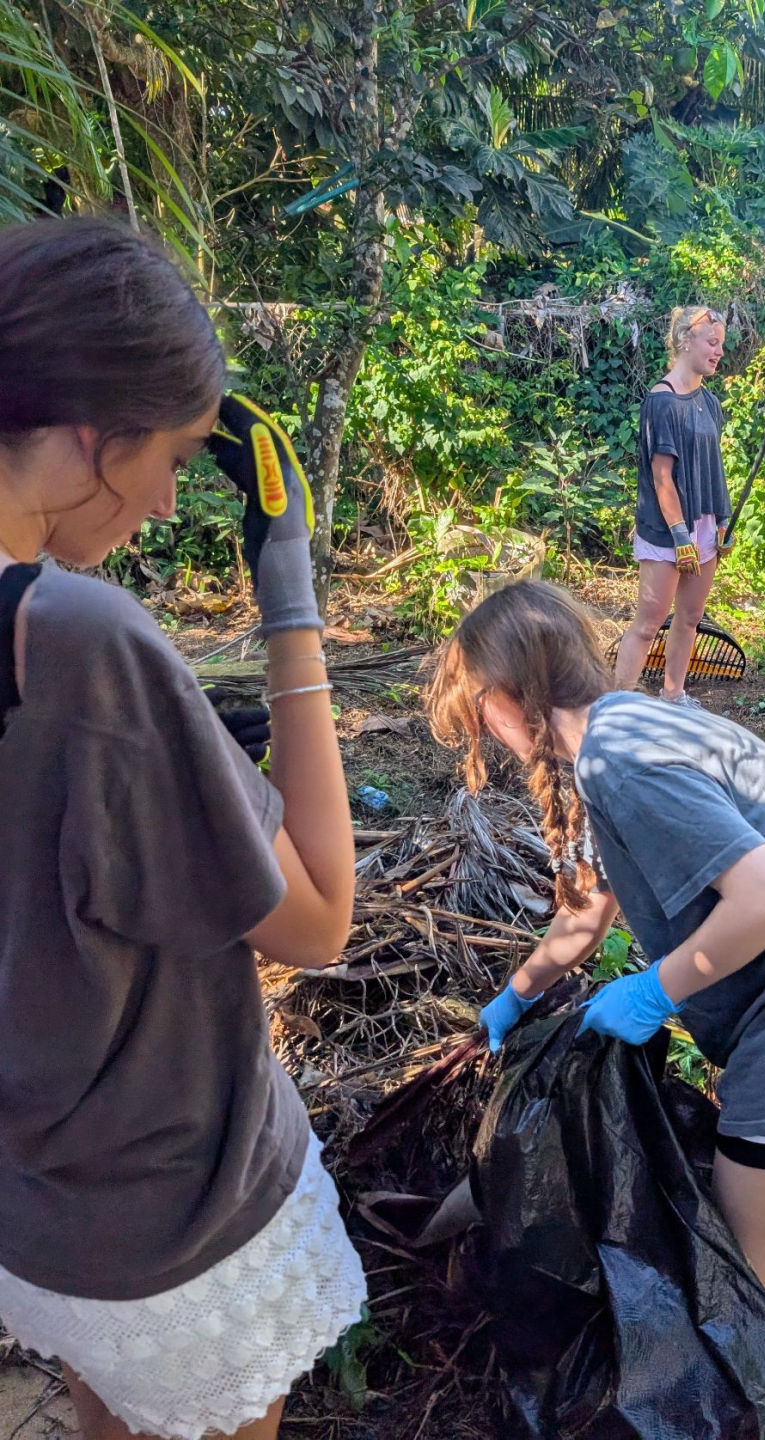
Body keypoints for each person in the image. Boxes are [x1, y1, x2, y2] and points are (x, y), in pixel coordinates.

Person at [0, 217, 365, 1440]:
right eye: (167, 457)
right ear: (93, 438)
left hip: (37, 1200)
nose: (164, 502)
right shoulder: (85, 645)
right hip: (175, 1212)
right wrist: (290, 588)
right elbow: (318, 918)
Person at [429, 581, 765, 1366]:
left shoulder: (619, 757)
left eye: (478, 717)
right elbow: (585, 914)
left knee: (740, 1262)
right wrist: (515, 996)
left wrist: (653, 990)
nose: (488, 737)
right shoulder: (635, 724)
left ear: (509, 694)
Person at [613, 304, 730, 708]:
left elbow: (713, 467)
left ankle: (673, 694)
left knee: (690, 618)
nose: (718, 352)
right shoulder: (660, 403)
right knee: (648, 623)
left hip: (705, 523)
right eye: (711, 342)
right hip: (668, 529)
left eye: (721, 345)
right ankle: (620, 704)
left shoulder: (710, 402)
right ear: (685, 341)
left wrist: (723, 521)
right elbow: (662, 477)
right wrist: (681, 538)